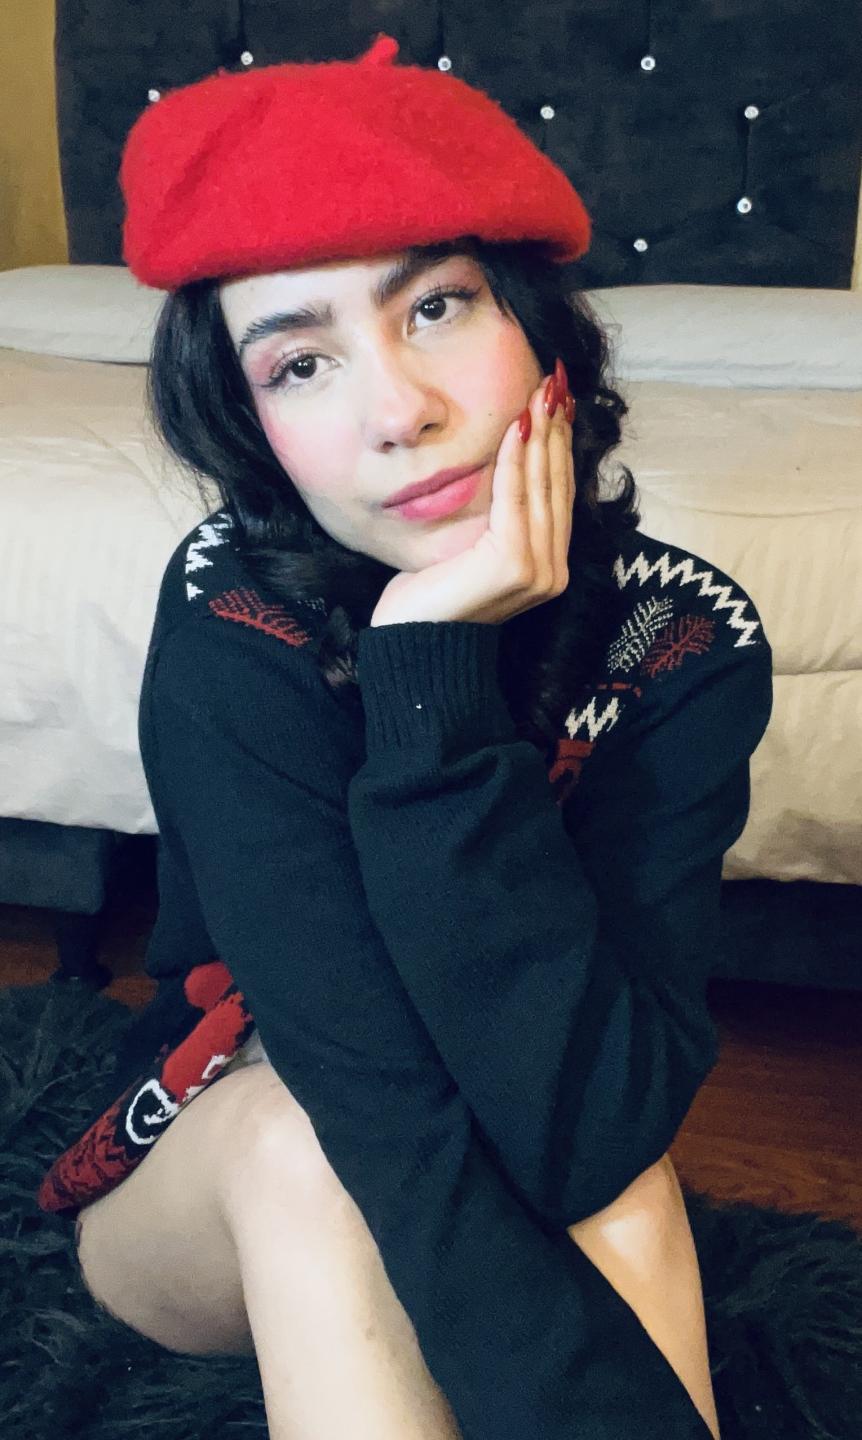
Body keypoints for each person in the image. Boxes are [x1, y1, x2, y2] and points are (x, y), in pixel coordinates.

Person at [37, 33, 773, 1440]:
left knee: (624, 1180)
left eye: (436, 307)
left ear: (542, 332)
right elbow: (371, 1096)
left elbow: (593, 1124)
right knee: (317, 1156)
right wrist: (421, 668)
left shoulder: (678, 639)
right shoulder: (236, 618)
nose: (399, 413)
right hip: (239, 1135)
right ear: (248, 421)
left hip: (526, 1101)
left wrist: (440, 688)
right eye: (300, 363)